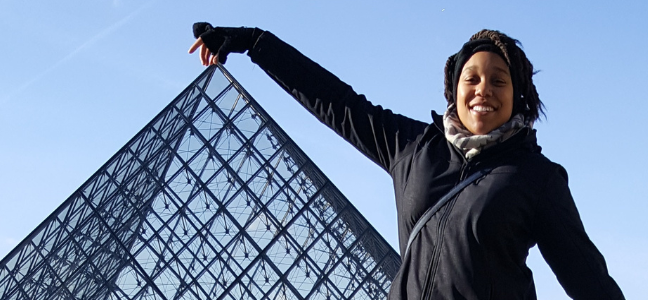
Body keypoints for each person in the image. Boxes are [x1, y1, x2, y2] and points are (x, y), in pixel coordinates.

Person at [188, 23, 624, 300]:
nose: (483, 90)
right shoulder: (413, 147)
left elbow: (588, 280)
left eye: (499, 80)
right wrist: (255, 43)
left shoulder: (537, 178)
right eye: (471, 79)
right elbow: (337, 102)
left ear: (519, 94)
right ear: (453, 89)